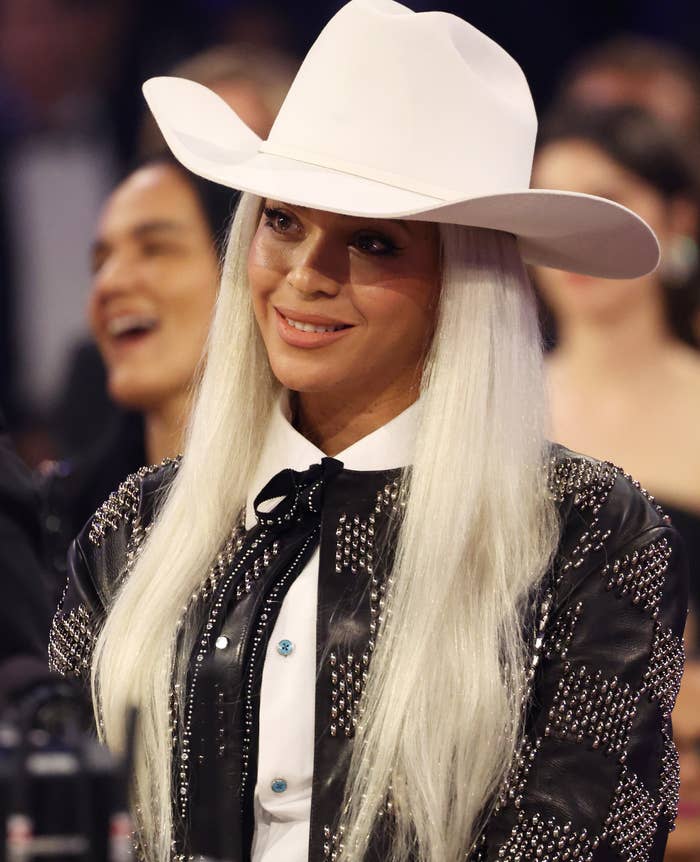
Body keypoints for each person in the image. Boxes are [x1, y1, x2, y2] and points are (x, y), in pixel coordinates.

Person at [49, 2, 688, 861]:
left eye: (375, 243)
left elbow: (581, 836)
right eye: (282, 221)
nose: (306, 275)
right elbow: (64, 808)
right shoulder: (142, 524)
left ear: (464, 283)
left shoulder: (583, 530)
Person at [39, 153, 236, 592]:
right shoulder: (57, 523)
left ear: (240, 268)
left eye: (155, 249)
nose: (109, 284)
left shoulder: (306, 507)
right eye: (100, 263)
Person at [531, 105, 700, 612]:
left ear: (678, 219)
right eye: (551, 209)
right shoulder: (482, 404)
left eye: (607, 202)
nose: (575, 236)